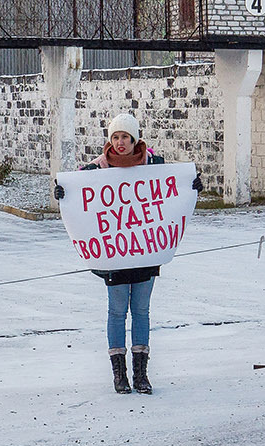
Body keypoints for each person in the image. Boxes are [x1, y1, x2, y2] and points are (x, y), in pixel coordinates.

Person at [53, 111, 202, 395]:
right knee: (117, 312)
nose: (120, 143)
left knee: (142, 311)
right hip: (115, 256)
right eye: (116, 137)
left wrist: (192, 187)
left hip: (145, 252)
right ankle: (119, 375)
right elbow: (77, 196)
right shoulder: (95, 172)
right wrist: (64, 193)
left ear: (135, 139)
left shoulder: (154, 167)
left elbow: (172, 194)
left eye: (126, 137)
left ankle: (141, 374)